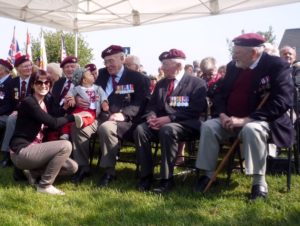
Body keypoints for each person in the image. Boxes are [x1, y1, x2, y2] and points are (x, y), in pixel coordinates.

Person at [194, 33, 294, 200]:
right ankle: (208, 175)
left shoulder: (276, 66)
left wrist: (246, 119)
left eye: (237, 53)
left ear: (253, 53)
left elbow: (282, 101)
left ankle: (259, 183)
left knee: (251, 129)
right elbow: (219, 93)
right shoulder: (233, 66)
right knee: (209, 126)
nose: (233, 56)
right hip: (230, 119)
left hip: (263, 121)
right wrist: (223, 114)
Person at [71, 45, 150, 185]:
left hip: (124, 121)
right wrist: (78, 97)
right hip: (99, 116)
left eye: (111, 61)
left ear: (122, 59)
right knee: (78, 127)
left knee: (107, 128)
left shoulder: (137, 78)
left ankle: (109, 171)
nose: (108, 65)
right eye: (106, 62)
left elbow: (141, 102)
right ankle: (83, 167)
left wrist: (124, 114)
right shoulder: (101, 74)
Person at [134, 49, 207, 193]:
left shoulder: (197, 83)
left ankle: (166, 179)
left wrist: (170, 118)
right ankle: (146, 176)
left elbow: (195, 110)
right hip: (161, 123)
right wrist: (151, 117)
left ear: (178, 66)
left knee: (168, 130)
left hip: (187, 124)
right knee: (140, 129)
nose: (162, 68)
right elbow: (152, 105)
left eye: (165, 64)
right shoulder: (161, 84)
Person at [9, 70, 80, 195]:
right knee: (65, 145)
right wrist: (73, 117)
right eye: (39, 82)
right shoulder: (29, 102)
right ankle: (45, 185)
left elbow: (54, 116)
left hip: (36, 151)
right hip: (22, 151)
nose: (43, 85)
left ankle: (32, 173)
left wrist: (66, 108)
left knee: (72, 167)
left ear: (50, 84)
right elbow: (53, 123)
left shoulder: (45, 101)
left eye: (47, 82)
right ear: (32, 85)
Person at [0, 55, 34, 168]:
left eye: (30, 65)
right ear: (18, 68)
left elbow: (38, 101)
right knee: (10, 119)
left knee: (11, 119)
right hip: (13, 114)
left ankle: (6, 155)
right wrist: (14, 111)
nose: (28, 68)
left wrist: (21, 111)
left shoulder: (36, 80)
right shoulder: (12, 82)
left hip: (32, 115)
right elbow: (8, 103)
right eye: (25, 66)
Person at [60, 69, 109, 140]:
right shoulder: (77, 89)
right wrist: (72, 99)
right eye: (90, 75)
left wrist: (104, 102)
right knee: (70, 118)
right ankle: (65, 133)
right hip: (79, 109)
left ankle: (82, 122)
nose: (93, 75)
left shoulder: (97, 88)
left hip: (91, 110)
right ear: (85, 80)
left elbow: (103, 95)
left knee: (90, 118)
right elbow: (70, 94)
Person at [0, 59, 13, 155]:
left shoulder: (11, 83)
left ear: (2, 70)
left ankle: (5, 153)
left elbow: (9, 105)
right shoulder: (1, 82)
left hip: (7, 115)